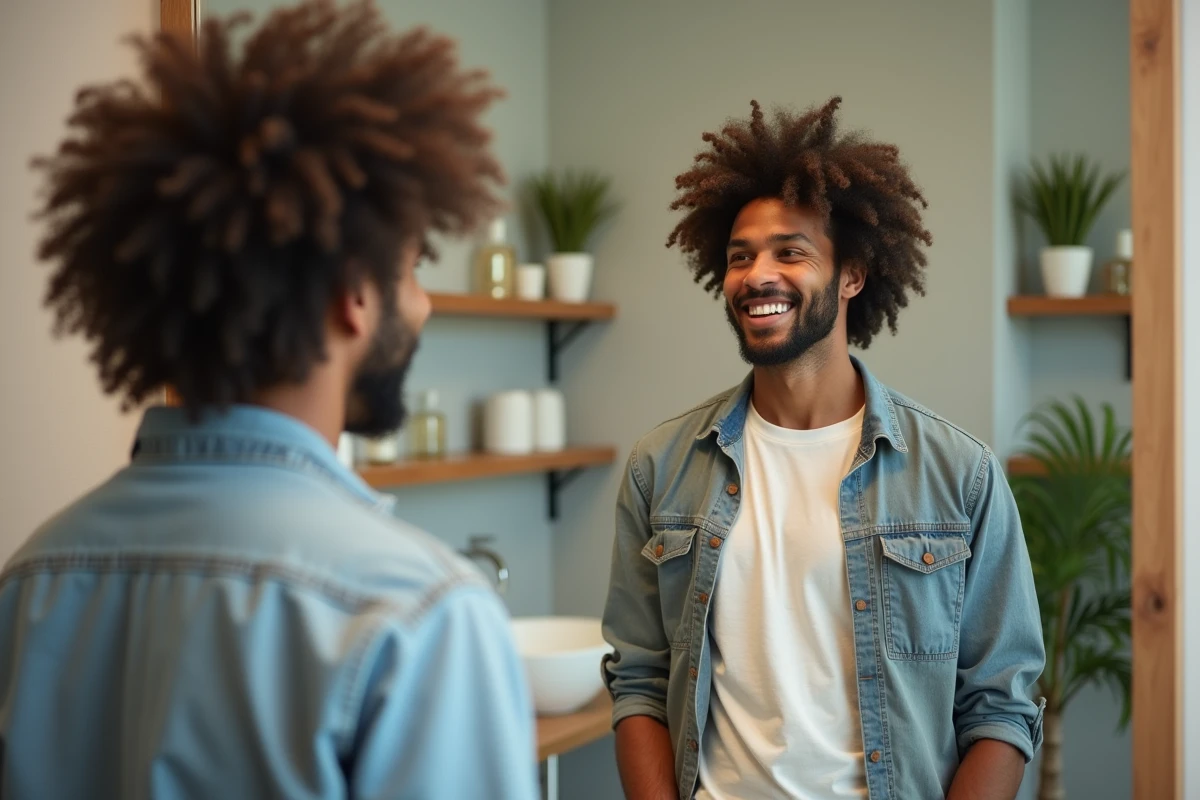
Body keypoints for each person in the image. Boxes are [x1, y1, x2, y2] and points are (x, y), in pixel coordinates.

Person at [0, 2, 539, 797]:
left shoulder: (31, 577)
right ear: (354, 292)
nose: (422, 304)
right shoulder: (417, 614)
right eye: (413, 267)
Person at [602, 97, 1045, 800]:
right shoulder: (661, 467)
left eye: (791, 252)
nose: (757, 276)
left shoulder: (959, 476)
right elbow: (640, 681)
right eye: (740, 257)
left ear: (852, 275)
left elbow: (1001, 707)